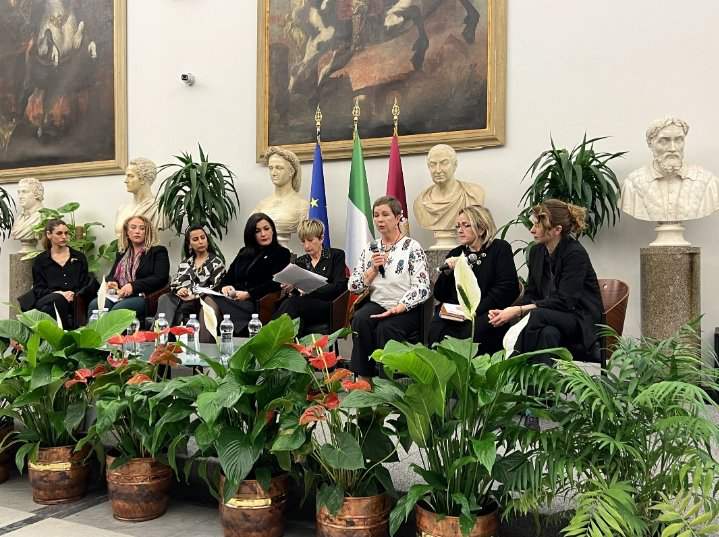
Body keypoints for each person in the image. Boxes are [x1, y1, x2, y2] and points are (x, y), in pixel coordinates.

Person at [488, 199, 603, 363]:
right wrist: (511, 310)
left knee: (537, 315)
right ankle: (540, 379)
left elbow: (565, 301)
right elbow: (532, 293)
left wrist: (519, 310)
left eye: (538, 225)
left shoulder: (575, 254)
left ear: (557, 230)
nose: (532, 229)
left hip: (579, 319)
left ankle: (514, 364)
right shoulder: (536, 252)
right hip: (549, 318)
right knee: (548, 333)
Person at [349, 196, 431, 378]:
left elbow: (423, 287)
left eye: (385, 214)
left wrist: (399, 307)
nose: (380, 220)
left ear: (398, 217)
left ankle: (388, 383)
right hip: (378, 303)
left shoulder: (412, 247)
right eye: (376, 215)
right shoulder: (370, 248)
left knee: (386, 328)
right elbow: (353, 286)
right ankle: (364, 379)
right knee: (360, 319)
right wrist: (372, 270)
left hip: (405, 307)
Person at [428, 205, 518, 353]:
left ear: (481, 229)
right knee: (437, 328)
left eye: (466, 225)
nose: (460, 230)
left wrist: (473, 311)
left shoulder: (499, 248)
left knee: (472, 332)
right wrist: (447, 274)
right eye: (458, 226)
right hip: (456, 314)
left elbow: (506, 288)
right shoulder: (456, 253)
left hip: (487, 310)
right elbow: (440, 295)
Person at [204, 213, 291, 337]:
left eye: (266, 229)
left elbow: (276, 282)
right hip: (233, 299)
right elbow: (228, 278)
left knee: (211, 301)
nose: (263, 234)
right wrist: (225, 287)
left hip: (255, 303)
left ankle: (207, 344)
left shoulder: (281, 253)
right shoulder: (244, 252)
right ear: (251, 234)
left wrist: (248, 294)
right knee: (209, 299)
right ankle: (208, 344)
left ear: (273, 230)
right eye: (257, 231)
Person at [272, 219, 348, 335]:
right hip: (302, 306)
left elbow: (339, 286)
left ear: (321, 238)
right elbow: (297, 293)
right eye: (303, 241)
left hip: (328, 306)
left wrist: (311, 290)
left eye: (310, 240)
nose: (306, 246)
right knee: (292, 309)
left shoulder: (336, 255)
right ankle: (289, 342)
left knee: (292, 305)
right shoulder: (300, 261)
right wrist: (291, 288)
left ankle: (269, 337)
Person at [89, 215, 169, 320]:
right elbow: (111, 275)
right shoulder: (122, 253)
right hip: (118, 294)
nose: (137, 231)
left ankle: (113, 332)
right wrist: (112, 282)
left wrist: (133, 286)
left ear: (147, 232)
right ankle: (96, 331)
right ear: (127, 232)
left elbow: (160, 278)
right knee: (95, 305)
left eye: (142, 228)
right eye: (133, 227)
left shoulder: (158, 251)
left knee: (118, 311)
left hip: (143, 296)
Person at [25, 219, 97, 328]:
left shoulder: (79, 257)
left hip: (74, 300)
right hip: (48, 299)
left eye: (66, 233)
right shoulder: (41, 260)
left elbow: (84, 284)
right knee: (57, 300)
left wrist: (72, 294)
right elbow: (38, 289)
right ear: (49, 235)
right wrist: (59, 294)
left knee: (53, 307)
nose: (64, 237)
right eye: (59, 233)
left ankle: (57, 335)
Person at [413, 144, 486, 249]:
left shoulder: (474, 194)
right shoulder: (420, 202)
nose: (438, 170)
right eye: (433, 165)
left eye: (444, 163)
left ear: (455, 165)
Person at [155, 225, 225, 326]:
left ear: (207, 240)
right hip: (183, 298)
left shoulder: (217, 262)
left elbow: (216, 287)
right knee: (165, 298)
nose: (200, 242)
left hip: (202, 299)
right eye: (195, 239)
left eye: (203, 238)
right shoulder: (185, 263)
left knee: (188, 305)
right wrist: (180, 289)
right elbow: (176, 282)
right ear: (189, 244)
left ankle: (168, 330)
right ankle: (161, 331)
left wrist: (194, 295)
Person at [252, 146, 310, 247]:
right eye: (271, 168)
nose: (273, 173)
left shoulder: (302, 205)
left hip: (284, 253)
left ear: (291, 171)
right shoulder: (262, 205)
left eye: (279, 168)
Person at [114, 157, 164, 239]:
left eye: (131, 176)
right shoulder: (122, 209)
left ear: (143, 179)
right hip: (123, 247)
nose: (125, 181)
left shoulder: (159, 208)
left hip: (148, 247)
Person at [10, 177, 44, 253]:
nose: (20, 196)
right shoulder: (19, 219)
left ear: (36, 194)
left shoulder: (44, 217)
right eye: (19, 192)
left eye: (24, 192)